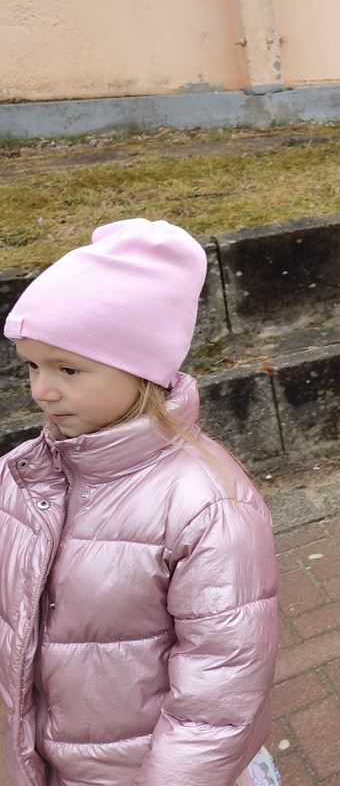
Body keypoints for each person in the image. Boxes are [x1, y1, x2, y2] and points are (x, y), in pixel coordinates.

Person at [1, 219, 279, 784]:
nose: (41, 390)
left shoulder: (206, 506)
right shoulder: (29, 473)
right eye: (32, 365)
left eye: (68, 368)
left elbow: (219, 690)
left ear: (141, 370)